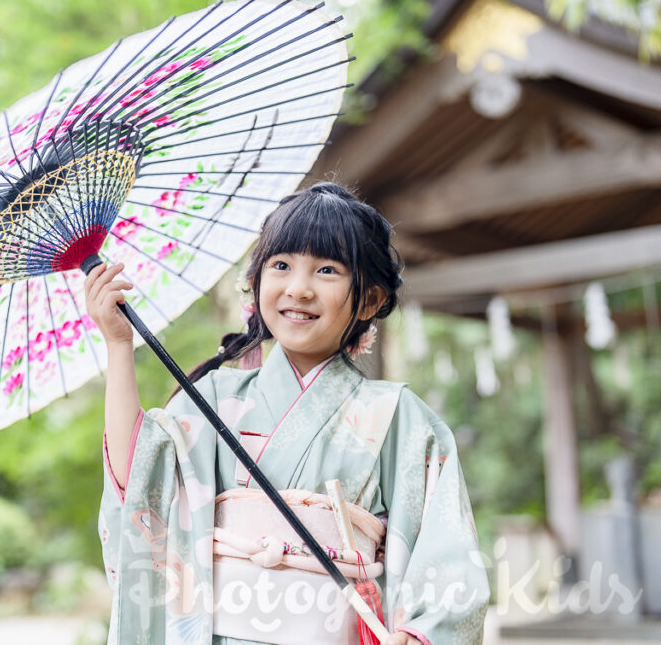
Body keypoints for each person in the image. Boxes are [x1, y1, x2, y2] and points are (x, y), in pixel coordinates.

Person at [84, 182, 490, 645]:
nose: (299, 288)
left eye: (327, 270)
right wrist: (119, 346)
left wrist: (417, 635)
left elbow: (448, 555)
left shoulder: (400, 418)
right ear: (255, 286)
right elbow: (140, 480)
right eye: (280, 266)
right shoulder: (212, 399)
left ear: (372, 299)